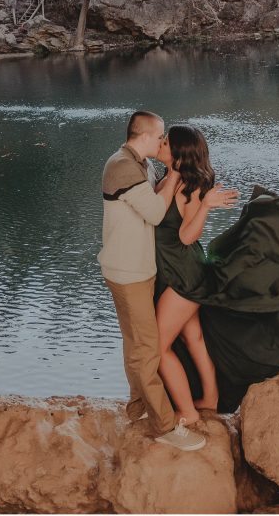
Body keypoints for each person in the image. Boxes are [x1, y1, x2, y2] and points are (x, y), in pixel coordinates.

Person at [154, 124, 279, 419]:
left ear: (178, 152)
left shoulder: (189, 190)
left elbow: (187, 237)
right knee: (194, 338)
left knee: (157, 346)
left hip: (183, 277)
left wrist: (204, 206)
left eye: (165, 141)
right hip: (176, 271)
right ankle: (211, 398)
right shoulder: (169, 178)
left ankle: (188, 412)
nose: (160, 143)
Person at [98, 110, 205, 451]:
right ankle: (165, 426)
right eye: (160, 137)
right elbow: (157, 214)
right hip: (129, 272)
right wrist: (174, 174)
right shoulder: (123, 167)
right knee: (147, 350)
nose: (163, 143)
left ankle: (137, 407)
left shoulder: (139, 163)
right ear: (145, 136)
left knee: (135, 344)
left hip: (135, 269)